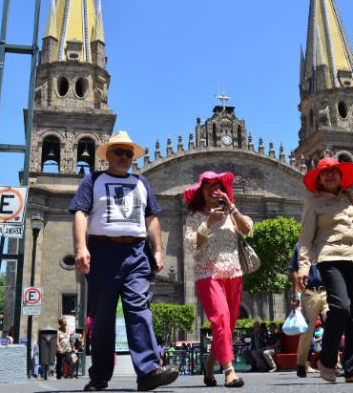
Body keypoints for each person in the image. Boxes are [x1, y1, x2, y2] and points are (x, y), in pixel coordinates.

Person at [69, 131, 179, 392]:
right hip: (102, 253)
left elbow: (151, 218)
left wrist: (158, 250)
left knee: (139, 308)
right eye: (118, 152)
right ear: (107, 155)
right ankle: (100, 376)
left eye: (128, 153)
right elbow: (81, 213)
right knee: (103, 317)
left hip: (136, 254)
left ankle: (149, 370)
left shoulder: (142, 183)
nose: (124, 157)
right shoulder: (92, 180)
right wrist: (81, 247)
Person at [297, 157, 353, 384]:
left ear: (341, 175)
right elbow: (306, 238)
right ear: (318, 178)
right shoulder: (313, 201)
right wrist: (303, 267)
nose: (330, 176)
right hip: (330, 258)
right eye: (325, 173)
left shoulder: (351, 197)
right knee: (340, 308)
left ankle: (351, 370)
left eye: (334, 172)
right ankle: (326, 361)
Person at [183, 170, 253, 387]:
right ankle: (229, 371)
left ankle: (209, 364)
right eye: (208, 186)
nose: (214, 190)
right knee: (220, 319)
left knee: (227, 328)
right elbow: (191, 244)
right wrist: (208, 222)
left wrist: (232, 208)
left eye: (217, 186)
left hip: (234, 274)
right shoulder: (195, 217)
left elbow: (248, 230)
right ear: (201, 192)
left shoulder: (231, 212)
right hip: (208, 274)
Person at [289, 242, 329, 377]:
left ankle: (333, 364)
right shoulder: (300, 245)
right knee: (307, 332)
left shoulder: (326, 241)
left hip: (327, 291)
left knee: (333, 327)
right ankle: (301, 363)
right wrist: (296, 294)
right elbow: (294, 269)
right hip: (309, 293)